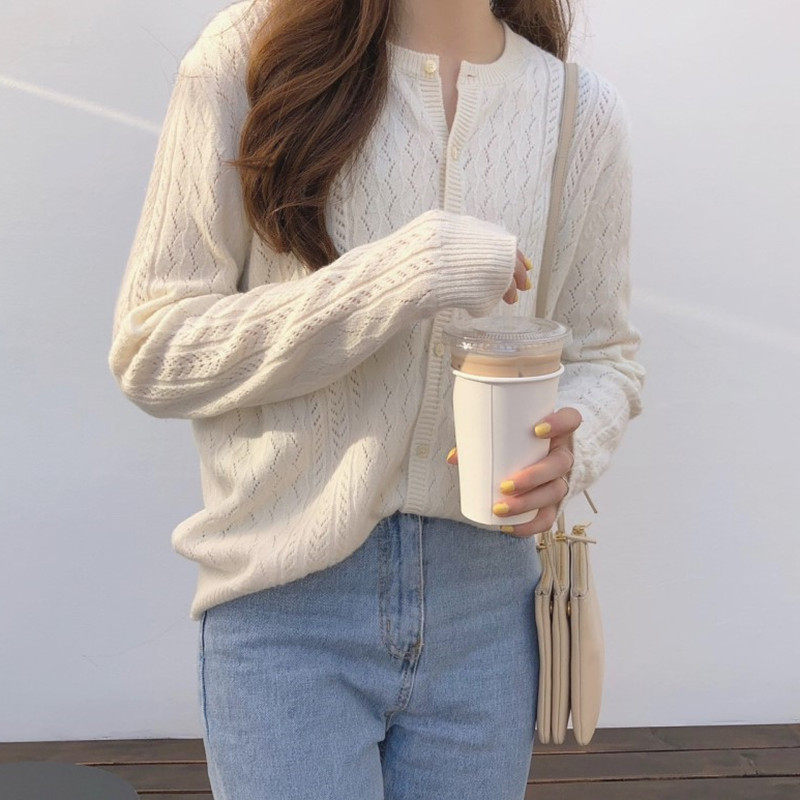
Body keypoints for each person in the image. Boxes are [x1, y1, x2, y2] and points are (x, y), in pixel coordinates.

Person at [107, 0, 645, 797]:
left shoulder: (578, 112)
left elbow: (604, 354)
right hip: (287, 604)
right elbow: (154, 351)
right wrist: (403, 273)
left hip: (488, 610)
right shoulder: (250, 57)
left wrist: (576, 441)